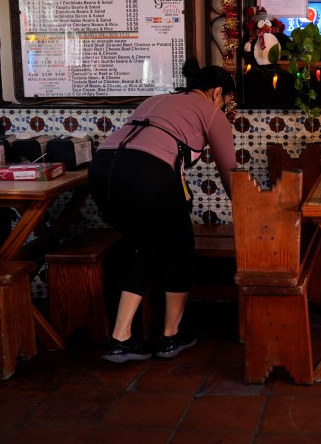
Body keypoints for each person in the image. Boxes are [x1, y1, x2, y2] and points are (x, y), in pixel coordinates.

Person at [88, 59, 237, 362]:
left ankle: (120, 339)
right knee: (180, 248)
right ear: (217, 92)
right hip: (147, 174)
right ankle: (171, 335)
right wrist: (248, 209)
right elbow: (230, 174)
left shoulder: (156, 99)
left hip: (101, 172)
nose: (224, 109)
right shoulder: (211, 112)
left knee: (148, 248)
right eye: (227, 103)